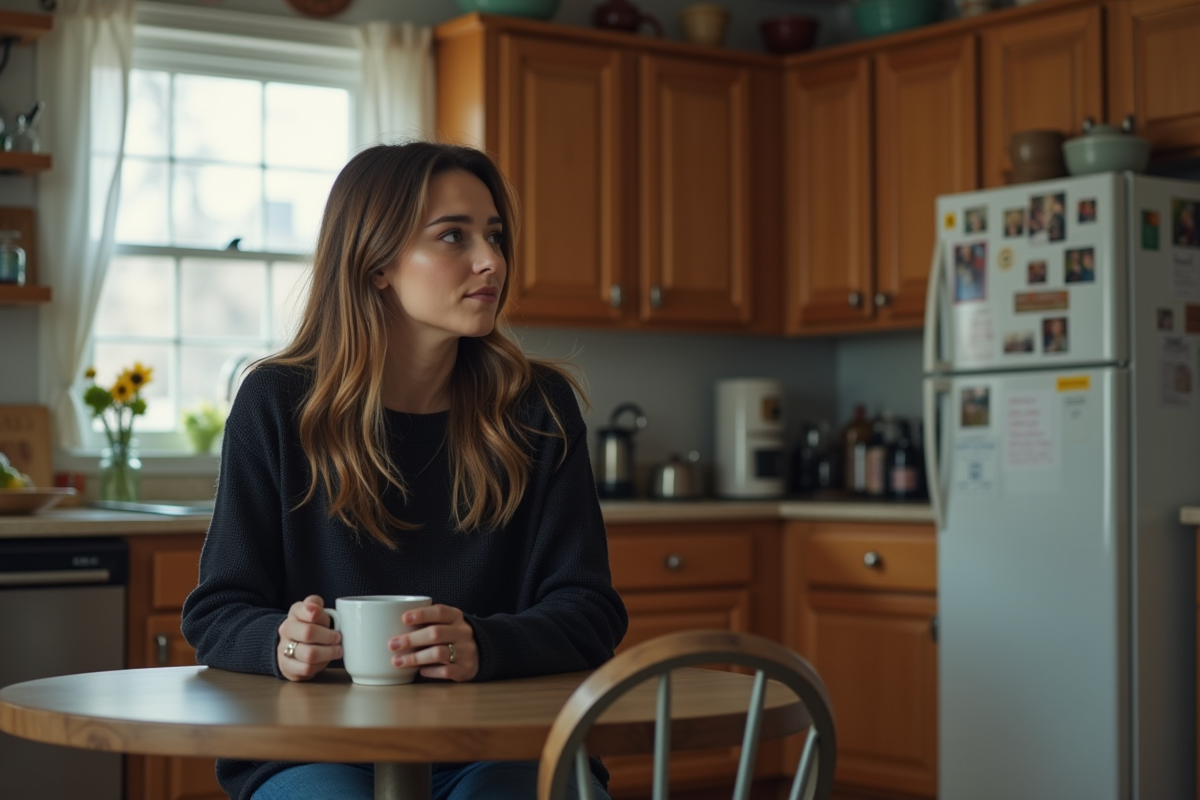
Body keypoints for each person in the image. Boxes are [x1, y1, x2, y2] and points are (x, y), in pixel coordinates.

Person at [181, 142, 629, 800]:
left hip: (505, 747)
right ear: (377, 261)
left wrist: (485, 645)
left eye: (495, 236)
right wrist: (279, 641)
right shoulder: (275, 404)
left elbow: (590, 612)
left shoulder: (538, 409)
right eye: (454, 235)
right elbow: (217, 610)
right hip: (312, 752)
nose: (491, 261)